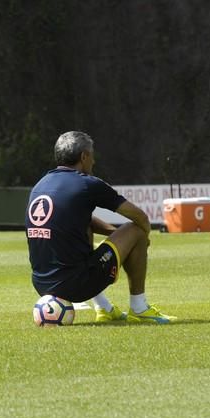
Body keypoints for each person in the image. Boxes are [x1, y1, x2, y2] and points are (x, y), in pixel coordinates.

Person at [25, 131, 176, 323]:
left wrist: (118, 237)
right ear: (84, 157)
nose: (94, 162)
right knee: (136, 229)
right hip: (77, 285)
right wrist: (140, 240)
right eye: (92, 156)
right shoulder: (87, 184)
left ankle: (103, 308)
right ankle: (140, 308)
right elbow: (140, 217)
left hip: (41, 284)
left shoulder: (40, 185)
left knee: (87, 226)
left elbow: (79, 220)